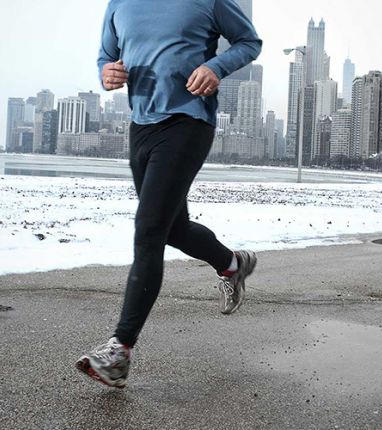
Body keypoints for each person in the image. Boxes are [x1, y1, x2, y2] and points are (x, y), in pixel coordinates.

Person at [76, 0, 262, 388]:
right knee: (172, 229)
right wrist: (106, 73)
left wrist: (215, 67)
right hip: (141, 125)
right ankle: (232, 264)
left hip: (188, 121)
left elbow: (249, 41)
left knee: (148, 230)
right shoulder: (119, 4)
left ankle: (119, 351)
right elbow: (106, 56)